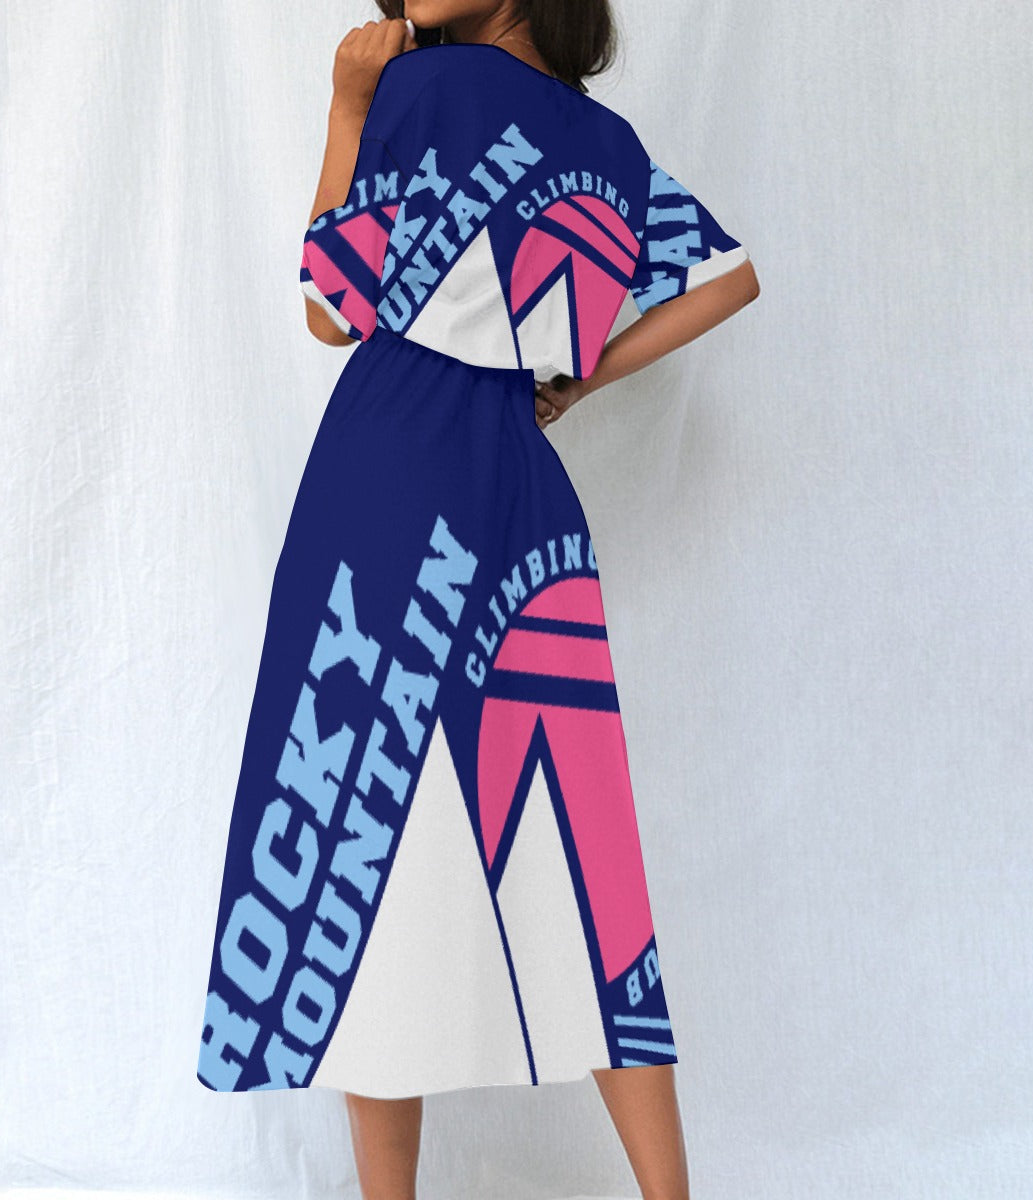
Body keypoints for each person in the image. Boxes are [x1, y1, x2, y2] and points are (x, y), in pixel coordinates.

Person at [198, 3, 759, 1198]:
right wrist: (578, 380)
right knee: (589, 861)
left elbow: (331, 311)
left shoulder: (417, 93)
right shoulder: (606, 145)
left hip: (387, 481)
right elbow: (730, 279)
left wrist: (347, 105)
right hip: (526, 504)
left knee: (357, 839)